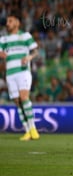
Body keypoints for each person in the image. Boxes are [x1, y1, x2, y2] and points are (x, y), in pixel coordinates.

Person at [0, 11, 40, 141]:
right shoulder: (4, 39)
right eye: (7, 22)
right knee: (17, 103)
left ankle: (33, 127)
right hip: (10, 73)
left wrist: (29, 56)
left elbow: (35, 51)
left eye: (10, 21)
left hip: (23, 71)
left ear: (17, 22)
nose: (7, 24)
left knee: (24, 97)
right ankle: (27, 130)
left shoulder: (25, 36)